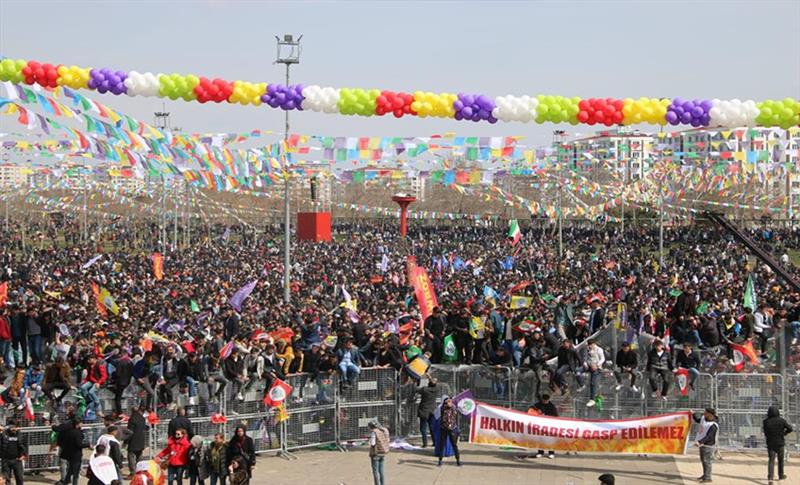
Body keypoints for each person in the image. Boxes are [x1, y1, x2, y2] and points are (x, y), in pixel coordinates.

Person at [763, 405, 793, 484]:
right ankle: (781, 475)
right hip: (780, 443)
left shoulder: (765, 421)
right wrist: (784, 433)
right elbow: (790, 429)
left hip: (770, 443)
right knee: (780, 460)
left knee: (771, 461)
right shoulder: (782, 420)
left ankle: (770, 478)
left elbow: (765, 432)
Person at [692, 408, 719, 483]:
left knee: (707, 461)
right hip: (702, 444)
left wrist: (700, 442)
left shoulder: (713, 425)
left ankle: (708, 478)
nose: (704, 414)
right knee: (703, 460)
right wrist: (693, 414)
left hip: (708, 446)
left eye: (706, 413)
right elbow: (698, 420)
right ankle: (705, 475)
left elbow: (709, 437)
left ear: (710, 414)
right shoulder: (704, 418)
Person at [57, 418, 85, 485]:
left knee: (70, 471)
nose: (82, 424)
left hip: (67, 454)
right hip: (75, 455)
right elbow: (79, 444)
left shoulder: (66, 432)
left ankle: (65, 481)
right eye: (81, 423)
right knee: (75, 474)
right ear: (78, 424)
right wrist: (88, 445)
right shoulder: (78, 433)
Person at [435, 397, 461, 467]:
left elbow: (456, 410)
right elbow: (443, 409)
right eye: (446, 402)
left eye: (449, 401)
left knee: (454, 445)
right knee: (442, 444)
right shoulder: (443, 408)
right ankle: (440, 460)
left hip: (452, 429)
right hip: (444, 428)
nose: (448, 403)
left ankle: (458, 460)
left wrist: (452, 403)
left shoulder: (453, 408)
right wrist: (446, 403)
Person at [412, 377, 438, 448]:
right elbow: (433, 383)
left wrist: (414, 382)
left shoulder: (425, 389)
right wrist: (429, 376)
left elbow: (416, 389)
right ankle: (435, 442)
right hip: (432, 411)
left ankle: (425, 443)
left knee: (423, 428)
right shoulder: (436, 389)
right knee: (432, 427)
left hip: (424, 411)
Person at [531, 394, 558, 459]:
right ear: (542, 399)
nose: (545, 401)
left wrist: (546, 415)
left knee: (550, 439)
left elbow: (555, 416)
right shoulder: (538, 405)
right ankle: (540, 452)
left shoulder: (552, 406)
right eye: (544, 400)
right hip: (540, 425)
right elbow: (531, 410)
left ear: (549, 399)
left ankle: (551, 453)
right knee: (540, 439)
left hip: (549, 425)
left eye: (547, 400)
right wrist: (537, 412)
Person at [125, 405, 148, 478]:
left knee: (131, 457)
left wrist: (126, 441)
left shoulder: (132, 419)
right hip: (141, 440)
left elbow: (130, 432)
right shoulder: (142, 418)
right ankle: (140, 471)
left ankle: (133, 473)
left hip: (133, 440)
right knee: (139, 456)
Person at [0, 420, 26, 485]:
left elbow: (25, 445)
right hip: (6, 460)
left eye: (16, 427)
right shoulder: (3, 434)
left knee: (19, 478)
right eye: (13, 427)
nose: (15, 429)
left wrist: (24, 455)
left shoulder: (20, 434)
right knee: (6, 479)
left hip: (17, 460)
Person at [367, 419, 390, 485]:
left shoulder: (374, 432)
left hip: (376, 453)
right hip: (382, 452)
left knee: (375, 471)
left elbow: (373, 443)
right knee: (381, 470)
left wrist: (369, 441)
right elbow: (387, 440)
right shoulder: (383, 430)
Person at [583, 339, 605, 407]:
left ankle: (592, 399)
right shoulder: (587, 350)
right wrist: (585, 364)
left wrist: (597, 365)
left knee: (593, 382)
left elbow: (602, 359)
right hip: (589, 366)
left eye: (590, 345)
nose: (589, 347)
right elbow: (585, 358)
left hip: (596, 367)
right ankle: (581, 385)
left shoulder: (599, 350)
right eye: (588, 345)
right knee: (577, 371)